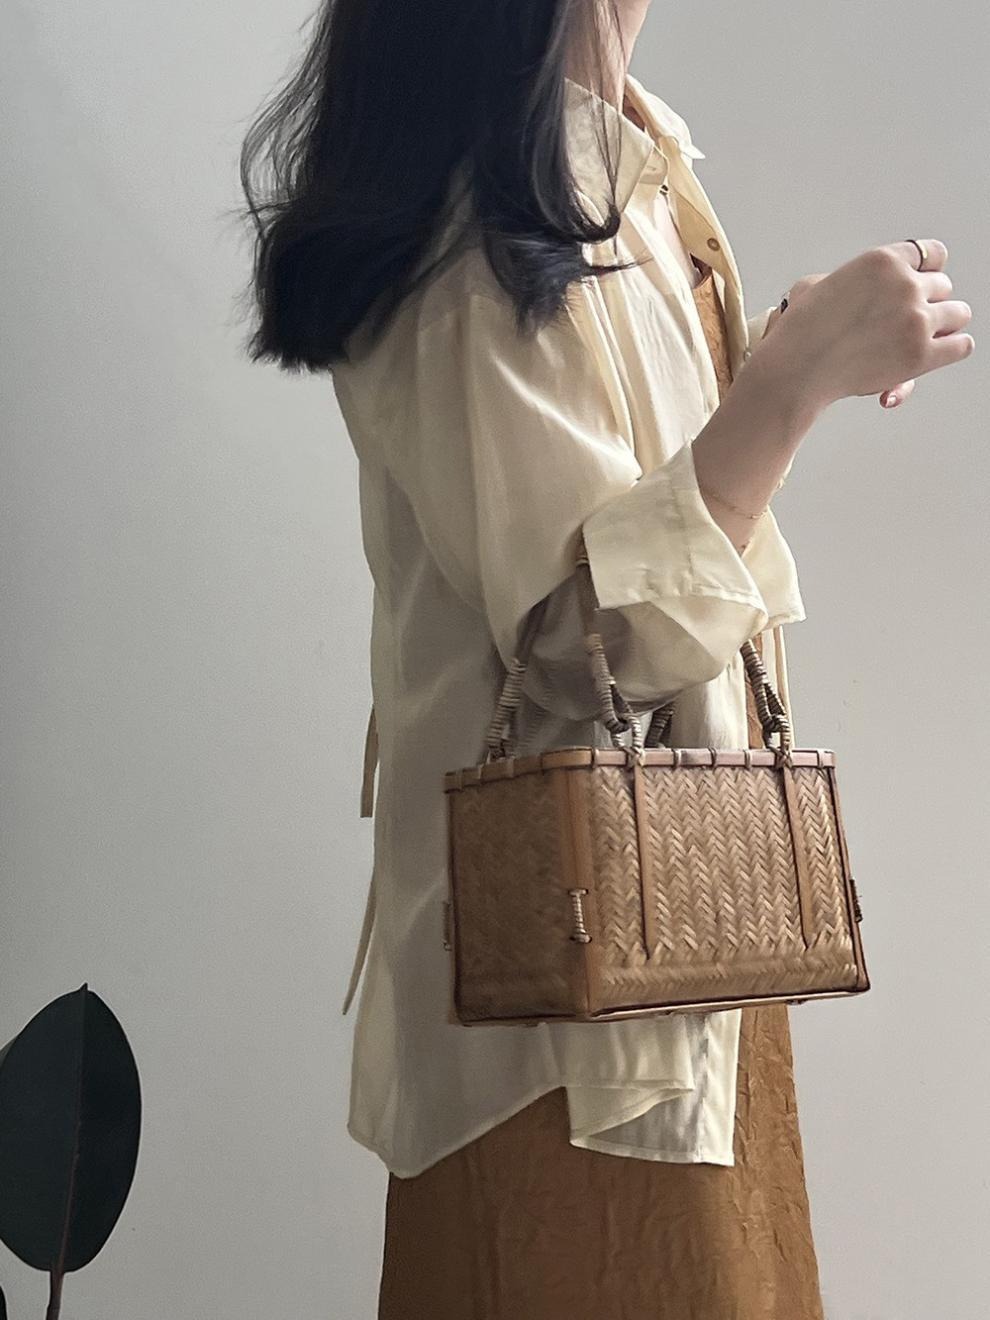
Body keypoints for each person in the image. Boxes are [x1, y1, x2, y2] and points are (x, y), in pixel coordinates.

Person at [237, 2, 974, 1315]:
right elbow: (584, 650)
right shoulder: (476, 245)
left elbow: (633, 522)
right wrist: (786, 389)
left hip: (686, 947)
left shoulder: (628, 167)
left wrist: (775, 364)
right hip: (569, 1021)